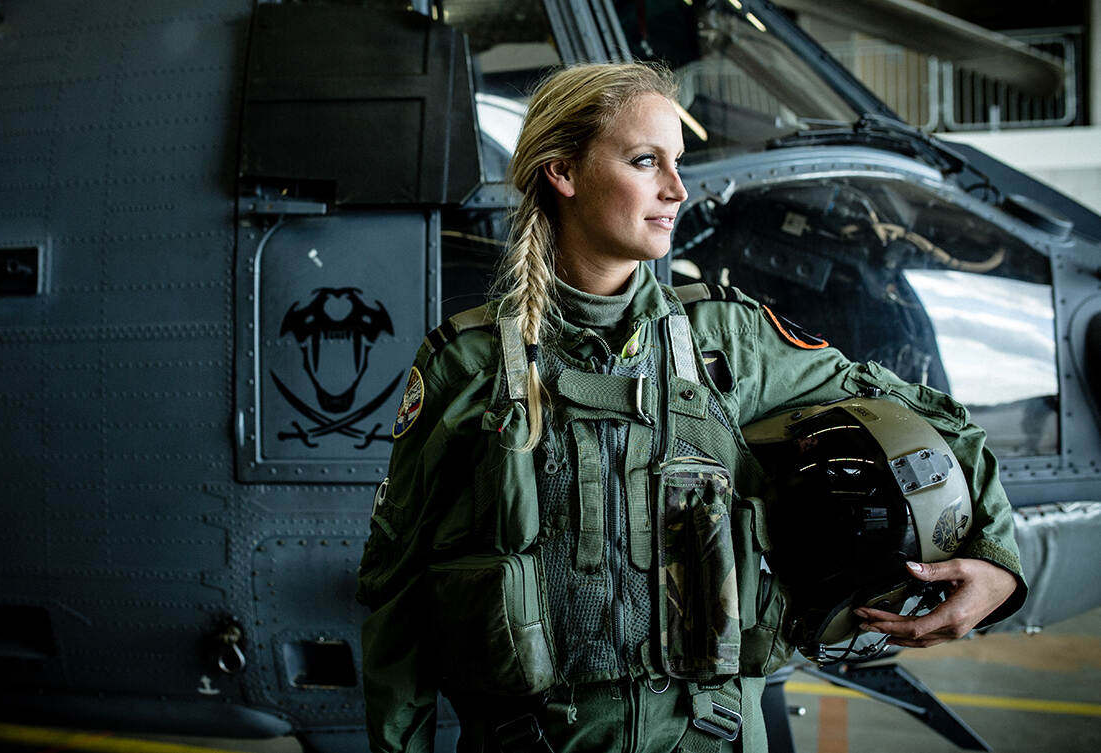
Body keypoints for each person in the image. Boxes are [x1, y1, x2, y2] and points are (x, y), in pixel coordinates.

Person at [357, 63, 1024, 753]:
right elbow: (396, 607)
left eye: (678, 162)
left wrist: (998, 560)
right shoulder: (468, 366)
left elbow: (927, 415)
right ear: (563, 171)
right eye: (646, 161)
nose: (677, 189)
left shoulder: (728, 341)